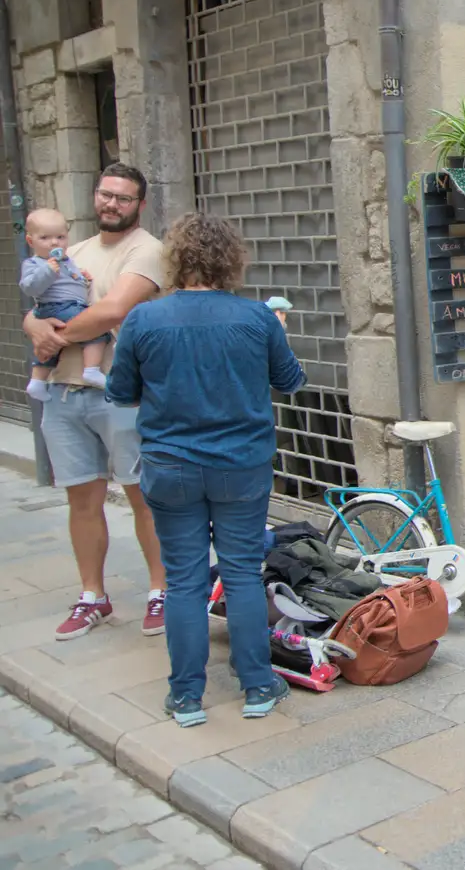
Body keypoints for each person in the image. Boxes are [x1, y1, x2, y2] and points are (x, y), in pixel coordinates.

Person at [107, 212, 306, 726]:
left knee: (184, 582)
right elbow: (290, 380)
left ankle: (187, 697)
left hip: (171, 467)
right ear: (230, 260)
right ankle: (259, 686)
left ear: (175, 260)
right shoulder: (256, 318)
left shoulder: (144, 319)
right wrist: (276, 332)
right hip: (241, 465)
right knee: (241, 575)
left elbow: (120, 392)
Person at [23, 164, 168, 640]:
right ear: (95, 195)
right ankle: (93, 597)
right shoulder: (73, 249)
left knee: (142, 498)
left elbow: (114, 310)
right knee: (81, 500)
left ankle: (160, 591)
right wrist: (34, 329)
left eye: (123, 199)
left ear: (139, 205)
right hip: (65, 394)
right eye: (106, 195)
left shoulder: (147, 251)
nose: (112, 204)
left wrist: (50, 338)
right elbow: (35, 307)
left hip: (121, 396)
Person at [19, 208, 112, 400]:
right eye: (45, 238)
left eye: (60, 237)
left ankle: (37, 382)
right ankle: (92, 369)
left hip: (68, 305)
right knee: (98, 330)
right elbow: (29, 287)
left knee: (52, 347)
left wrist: (82, 278)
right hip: (58, 306)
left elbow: (71, 278)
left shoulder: (66, 260)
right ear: (31, 241)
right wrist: (47, 272)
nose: (54, 242)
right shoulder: (34, 263)